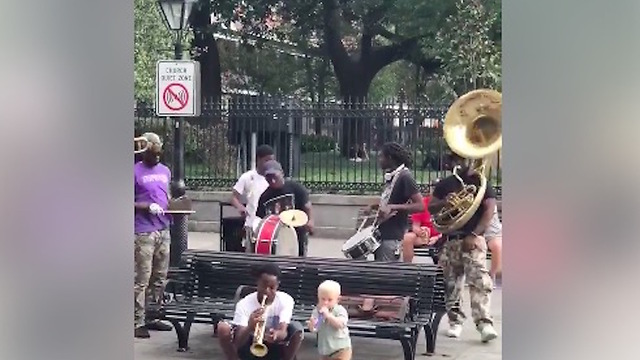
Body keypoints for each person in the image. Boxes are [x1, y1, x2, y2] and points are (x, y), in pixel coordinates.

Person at [428, 153, 499, 342]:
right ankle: (455, 321)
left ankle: (484, 323)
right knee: (451, 284)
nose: (459, 163)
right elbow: (431, 208)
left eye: (463, 160)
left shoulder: (480, 182)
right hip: (451, 239)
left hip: (474, 240)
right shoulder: (445, 184)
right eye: (455, 160)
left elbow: (489, 210)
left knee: (480, 281)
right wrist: (445, 202)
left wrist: (474, 234)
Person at [216, 263, 304, 360]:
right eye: (264, 286)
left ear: (277, 286)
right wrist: (250, 327)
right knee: (222, 327)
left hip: (274, 345)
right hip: (249, 344)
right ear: (257, 282)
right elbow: (238, 342)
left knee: (297, 328)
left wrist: (276, 335)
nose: (266, 291)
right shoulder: (244, 304)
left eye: (271, 287)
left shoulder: (286, 300)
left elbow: (283, 332)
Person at [133, 132, 173, 338]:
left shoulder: (165, 171)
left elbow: (168, 196)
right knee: (142, 278)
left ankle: (153, 316)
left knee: (159, 277)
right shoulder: (134, 171)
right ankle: (136, 321)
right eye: (153, 154)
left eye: (159, 155)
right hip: (143, 230)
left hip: (163, 227)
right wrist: (146, 206)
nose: (156, 158)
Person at [363, 142, 424, 261]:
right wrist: (374, 206)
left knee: (387, 275)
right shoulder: (392, 176)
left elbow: (420, 205)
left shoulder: (405, 177)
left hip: (393, 234)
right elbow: (390, 201)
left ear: (390, 158)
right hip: (383, 232)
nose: (379, 160)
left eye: (381, 156)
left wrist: (393, 207)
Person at [255, 160, 314, 257]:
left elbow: (307, 205)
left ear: (282, 173)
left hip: (297, 232)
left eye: (274, 176)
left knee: (299, 259)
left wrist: (310, 220)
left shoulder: (295, 188)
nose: (272, 181)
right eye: (268, 178)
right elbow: (261, 220)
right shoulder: (265, 197)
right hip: (278, 237)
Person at [230, 145, 276, 252]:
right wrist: (240, 207)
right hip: (252, 222)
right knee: (251, 252)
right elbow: (233, 197)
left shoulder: (274, 178)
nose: (270, 163)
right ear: (258, 159)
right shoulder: (247, 177)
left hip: (271, 224)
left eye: (272, 160)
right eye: (267, 160)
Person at [308, 280, 352, 360]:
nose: (325, 303)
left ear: (338, 299)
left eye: (329, 300)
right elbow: (316, 328)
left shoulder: (339, 310)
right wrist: (312, 325)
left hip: (340, 349)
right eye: (322, 299)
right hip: (325, 350)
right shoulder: (317, 311)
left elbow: (340, 324)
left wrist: (328, 316)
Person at [401, 182, 444, 264]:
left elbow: (450, 228)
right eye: (433, 189)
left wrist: (437, 237)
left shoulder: (447, 203)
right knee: (407, 238)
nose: (435, 191)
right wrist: (420, 232)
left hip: (442, 236)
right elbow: (415, 226)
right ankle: (407, 266)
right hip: (425, 236)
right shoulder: (423, 203)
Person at [485, 205, 503, 283]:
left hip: (492, 232)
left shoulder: (488, 200)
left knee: (496, 245)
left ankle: (492, 275)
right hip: (469, 232)